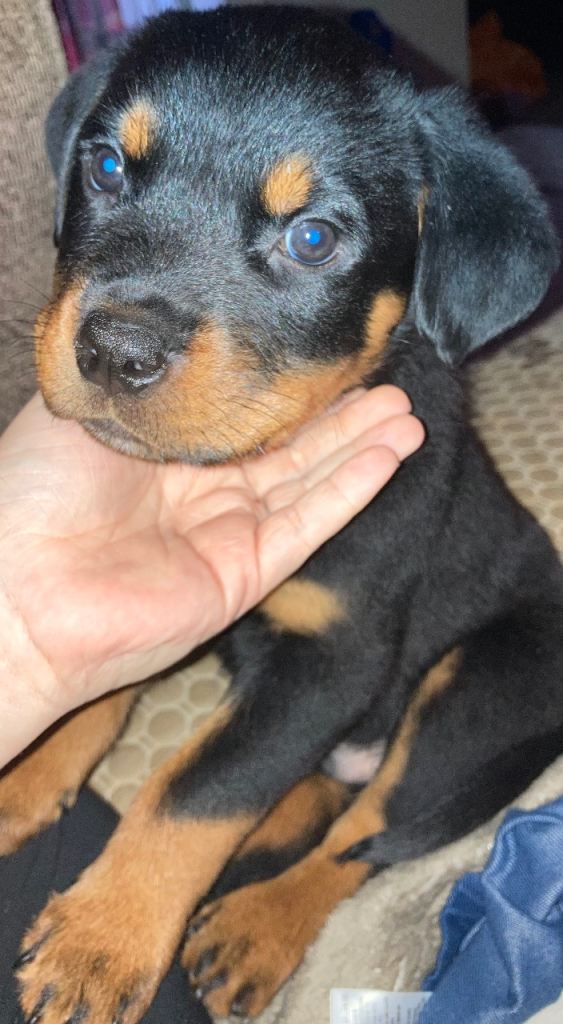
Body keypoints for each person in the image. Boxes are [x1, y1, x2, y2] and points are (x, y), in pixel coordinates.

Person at [0, 384, 423, 1023]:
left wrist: (151, 879)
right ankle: (315, 812)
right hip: (292, 706)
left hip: (459, 662)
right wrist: (29, 654)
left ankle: (338, 865)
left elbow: (323, 671)